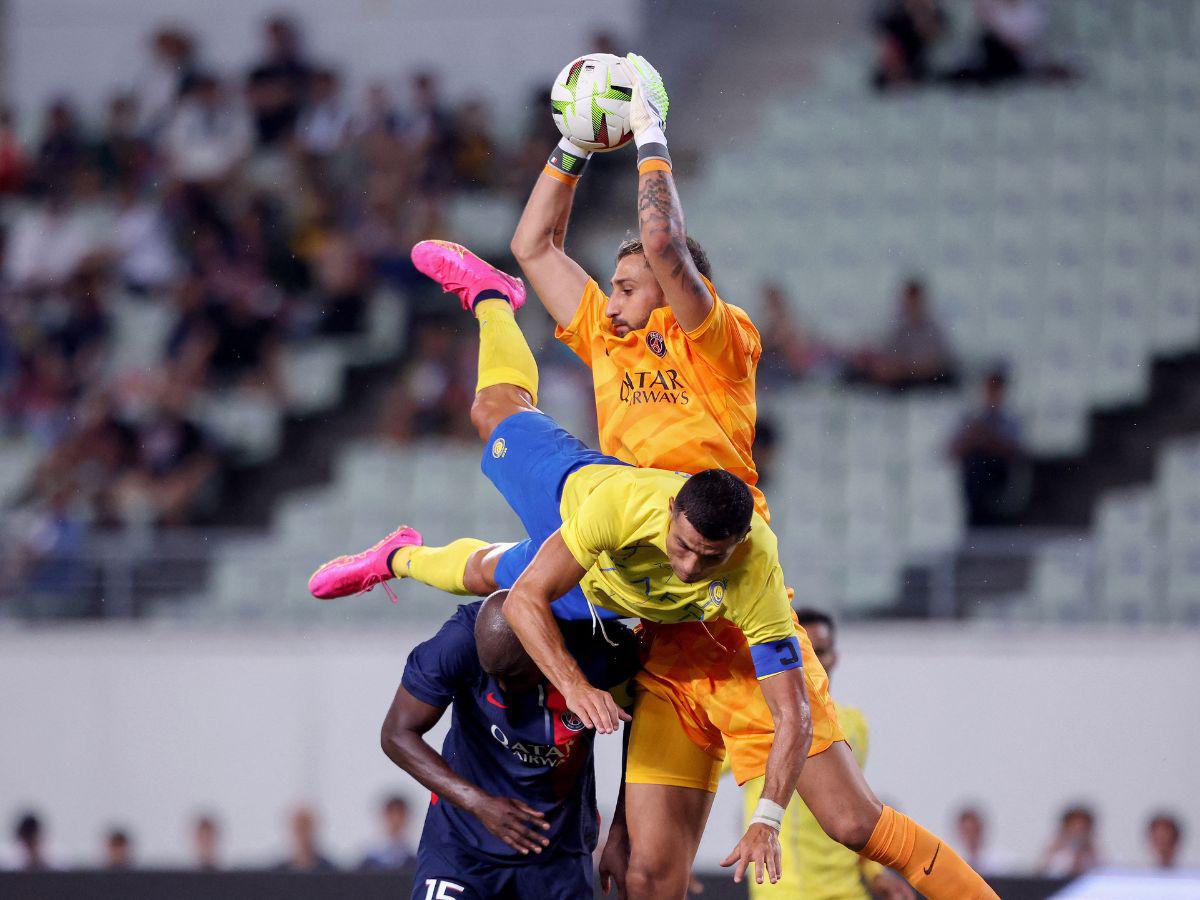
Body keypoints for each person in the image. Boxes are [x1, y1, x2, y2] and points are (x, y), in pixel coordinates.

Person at [309, 236, 999, 900]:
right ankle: (490, 305)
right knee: (492, 419)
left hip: (610, 582)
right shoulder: (621, 439)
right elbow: (537, 242)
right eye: (619, 287)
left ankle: (397, 555)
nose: (618, 299)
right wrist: (578, 149)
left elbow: (666, 249)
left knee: (497, 573)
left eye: (631, 287)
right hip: (584, 507)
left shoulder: (713, 356)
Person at [380, 591, 640, 899]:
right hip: (463, 848)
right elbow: (396, 734)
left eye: (515, 677)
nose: (503, 689)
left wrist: (622, 832)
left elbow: (644, 729)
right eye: (494, 677)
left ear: (542, 650)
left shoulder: (602, 649)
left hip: (558, 854)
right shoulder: (457, 643)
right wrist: (478, 802)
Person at [739, 609, 913, 900]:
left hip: (848, 890)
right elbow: (695, 776)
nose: (814, 660)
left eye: (821, 650)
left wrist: (875, 873)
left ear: (835, 657)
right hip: (784, 891)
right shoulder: (757, 721)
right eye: (805, 651)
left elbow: (856, 809)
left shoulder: (854, 725)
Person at [949, 369, 1023, 527]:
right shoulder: (971, 419)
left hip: (999, 479)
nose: (992, 394)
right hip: (974, 486)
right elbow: (953, 450)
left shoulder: (1011, 419)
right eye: (990, 389)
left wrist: (986, 436)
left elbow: (1013, 452)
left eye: (996, 389)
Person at [1037, 805, 1101, 878]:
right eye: (1074, 829)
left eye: (1082, 829)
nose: (1078, 834)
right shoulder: (1052, 857)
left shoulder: (1095, 857)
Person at [954, 806, 1016, 877]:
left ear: (981, 829)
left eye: (974, 830)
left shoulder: (1002, 861)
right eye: (967, 831)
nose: (971, 836)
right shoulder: (953, 861)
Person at [360, 795, 417, 870]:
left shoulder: (416, 862)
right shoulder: (370, 862)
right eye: (392, 813)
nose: (396, 820)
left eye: (401, 814)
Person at [274, 805, 337, 872]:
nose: (302, 833)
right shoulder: (275, 874)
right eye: (298, 828)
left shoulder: (332, 872)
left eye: (305, 827)